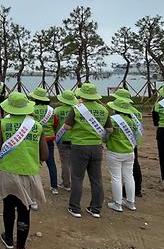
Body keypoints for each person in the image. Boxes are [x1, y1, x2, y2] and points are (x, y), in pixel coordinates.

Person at [0, 92, 47, 249]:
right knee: (24, 209)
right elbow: (44, 155)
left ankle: (8, 238)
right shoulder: (37, 126)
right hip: (28, 173)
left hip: (8, 172)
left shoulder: (4, 123)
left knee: (8, 205)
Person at [63, 83, 112, 218]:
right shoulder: (103, 109)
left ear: (82, 95)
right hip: (96, 147)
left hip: (79, 146)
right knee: (96, 179)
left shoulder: (77, 109)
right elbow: (110, 130)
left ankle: (75, 208)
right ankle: (95, 209)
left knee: (77, 178)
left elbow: (66, 127)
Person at [105, 97, 140, 212]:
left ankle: (117, 203)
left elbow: (105, 136)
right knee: (129, 176)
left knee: (116, 177)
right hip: (129, 152)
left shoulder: (112, 120)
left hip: (114, 151)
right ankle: (131, 202)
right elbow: (137, 138)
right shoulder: (133, 121)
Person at [112, 88, 144, 197]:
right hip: (133, 141)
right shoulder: (136, 112)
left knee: (124, 170)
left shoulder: (120, 111)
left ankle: (126, 191)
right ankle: (137, 189)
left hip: (120, 142)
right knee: (135, 164)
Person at [29, 87, 59, 197]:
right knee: (51, 163)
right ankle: (54, 186)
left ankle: (33, 187)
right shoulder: (51, 110)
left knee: (33, 163)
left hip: (35, 139)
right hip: (49, 139)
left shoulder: (31, 109)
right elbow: (55, 123)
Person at [54, 90, 77, 190]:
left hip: (62, 138)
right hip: (74, 138)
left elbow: (54, 124)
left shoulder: (57, 110)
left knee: (64, 162)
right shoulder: (76, 109)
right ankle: (76, 182)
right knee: (74, 162)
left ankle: (66, 183)